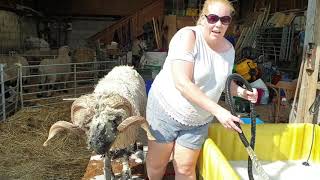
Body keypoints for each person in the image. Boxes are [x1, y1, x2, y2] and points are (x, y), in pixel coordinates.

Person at [145, 0, 258, 180]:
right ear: (202, 18)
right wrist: (219, 111)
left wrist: (242, 92)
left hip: (198, 119)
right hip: (166, 110)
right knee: (157, 164)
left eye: (225, 19)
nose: (218, 24)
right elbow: (182, 83)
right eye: (213, 18)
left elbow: (222, 82)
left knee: (186, 169)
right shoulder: (187, 37)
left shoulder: (229, 50)